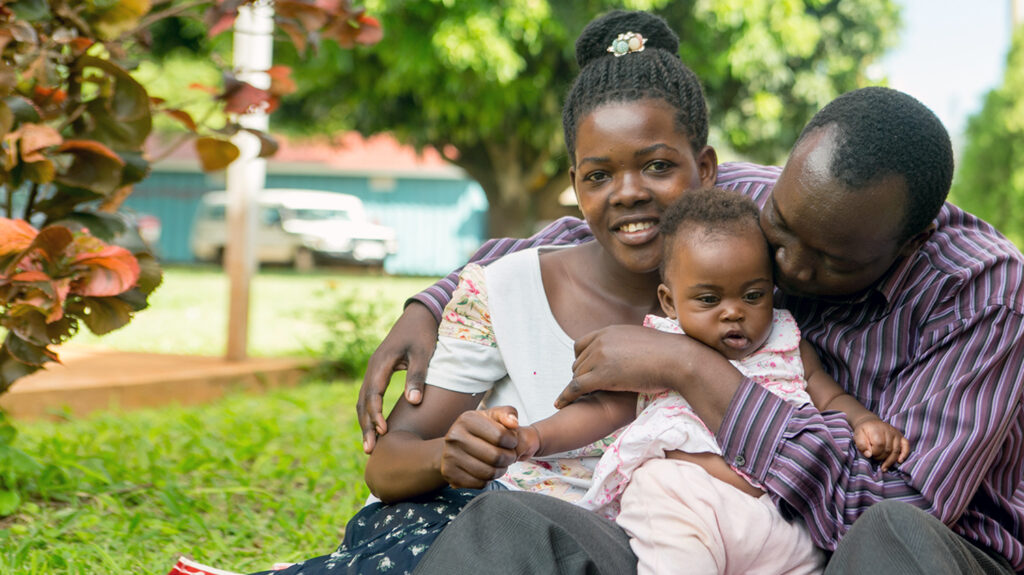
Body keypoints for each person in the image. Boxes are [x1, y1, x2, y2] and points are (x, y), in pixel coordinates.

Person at [365, 86, 1024, 574]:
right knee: (513, 524)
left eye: (831, 260)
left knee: (893, 537)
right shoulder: (757, 199)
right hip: (692, 540)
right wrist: (434, 301)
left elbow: (886, 502)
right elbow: (597, 230)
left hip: (874, 553)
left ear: (910, 245)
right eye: (782, 230)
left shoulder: (985, 292)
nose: (787, 265)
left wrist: (689, 366)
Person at [242, 9, 719, 575]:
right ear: (574, 185)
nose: (628, 193)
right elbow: (389, 462)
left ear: (707, 170)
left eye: (659, 166)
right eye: (598, 176)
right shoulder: (508, 291)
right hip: (485, 540)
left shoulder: (743, 302)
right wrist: (449, 456)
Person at [508, 187, 908, 574]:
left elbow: (830, 394)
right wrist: (535, 437)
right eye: (708, 300)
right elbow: (605, 410)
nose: (733, 313)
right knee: (667, 522)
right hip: (682, 497)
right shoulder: (658, 350)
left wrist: (864, 422)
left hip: (782, 513)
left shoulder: (788, 343)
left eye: (752, 296)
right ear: (669, 301)